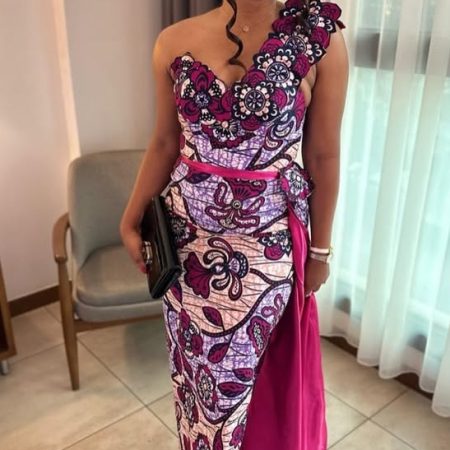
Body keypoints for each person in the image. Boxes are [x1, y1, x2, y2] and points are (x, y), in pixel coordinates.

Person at [120, 0, 348, 448]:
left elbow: (323, 155)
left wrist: (321, 252)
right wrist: (130, 218)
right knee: (196, 381)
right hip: (186, 251)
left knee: (248, 386)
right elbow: (165, 141)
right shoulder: (172, 41)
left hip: (267, 248)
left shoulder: (318, 36)